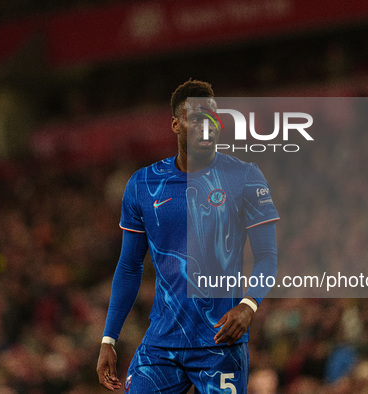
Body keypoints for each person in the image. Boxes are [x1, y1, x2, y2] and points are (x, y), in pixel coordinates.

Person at [96, 79, 279, 393]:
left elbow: (267, 257)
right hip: (162, 344)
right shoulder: (143, 184)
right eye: (196, 119)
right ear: (176, 124)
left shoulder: (245, 177)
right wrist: (108, 339)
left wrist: (248, 306)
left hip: (220, 341)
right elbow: (129, 267)